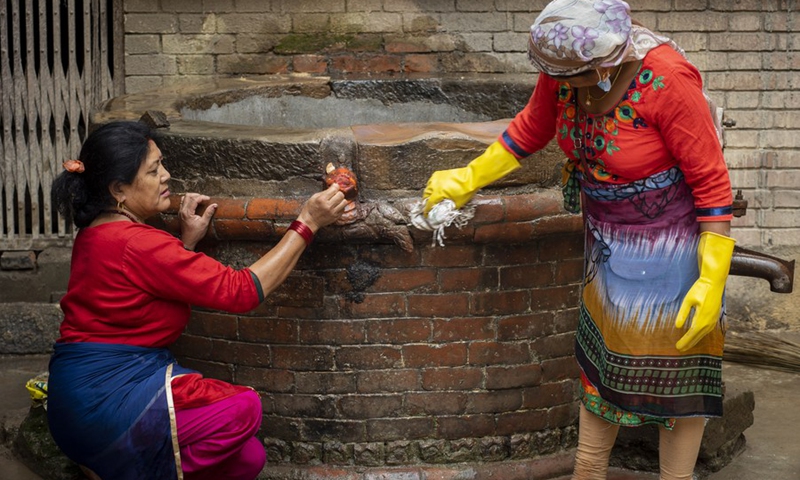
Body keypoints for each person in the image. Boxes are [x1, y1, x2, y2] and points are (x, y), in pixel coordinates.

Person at [418, 1, 734, 479]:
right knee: (600, 366)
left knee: (678, 382)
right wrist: (467, 177)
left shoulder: (668, 80)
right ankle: (587, 472)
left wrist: (711, 279)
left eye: (574, 79)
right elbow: (533, 127)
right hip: (606, 248)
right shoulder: (567, 67)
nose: (562, 87)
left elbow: (712, 185)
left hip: (674, 254)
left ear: (608, 63)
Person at [48, 120, 348, 480]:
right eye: (154, 170)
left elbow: (140, 289)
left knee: (247, 458)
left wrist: (184, 246)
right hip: (105, 403)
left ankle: (112, 462)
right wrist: (308, 222)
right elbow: (242, 291)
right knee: (244, 409)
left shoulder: (98, 230)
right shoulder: (140, 244)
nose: (167, 176)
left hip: (78, 399)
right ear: (119, 189)